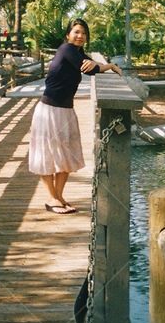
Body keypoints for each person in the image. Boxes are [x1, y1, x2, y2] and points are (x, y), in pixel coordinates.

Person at [28, 18, 122, 214]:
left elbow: (93, 68)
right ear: (68, 35)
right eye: (77, 32)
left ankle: (59, 196)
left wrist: (110, 66)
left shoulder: (77, 53)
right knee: (47, 154)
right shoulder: (66, 50)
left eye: (84, 33)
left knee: (66, 155)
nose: (80, 36)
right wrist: (100, 66)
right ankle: (52, 198)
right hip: (49, 110)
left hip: (66, 110)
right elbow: (91, 67)